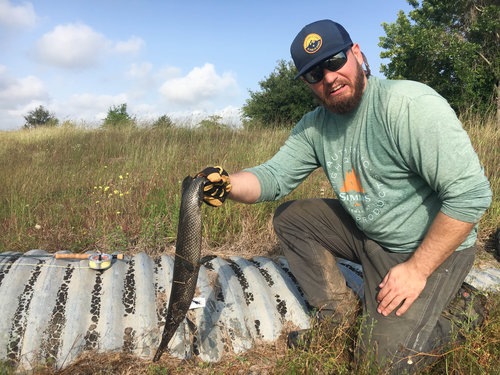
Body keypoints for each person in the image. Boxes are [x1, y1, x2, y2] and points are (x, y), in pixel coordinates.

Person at [195, 19, 492, 373]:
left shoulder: (407, 105)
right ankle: (340, 316)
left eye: (334, 61)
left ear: (356, 55)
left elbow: (470, 197)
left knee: (379, 364)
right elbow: (273, 177)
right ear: (307, 84)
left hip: (431, 249)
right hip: (372, 235)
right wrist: (227, 185)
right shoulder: (316, 126)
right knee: (293, 218)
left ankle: (465, 310)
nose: (328, 77)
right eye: (313, 74)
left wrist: (416, 269)